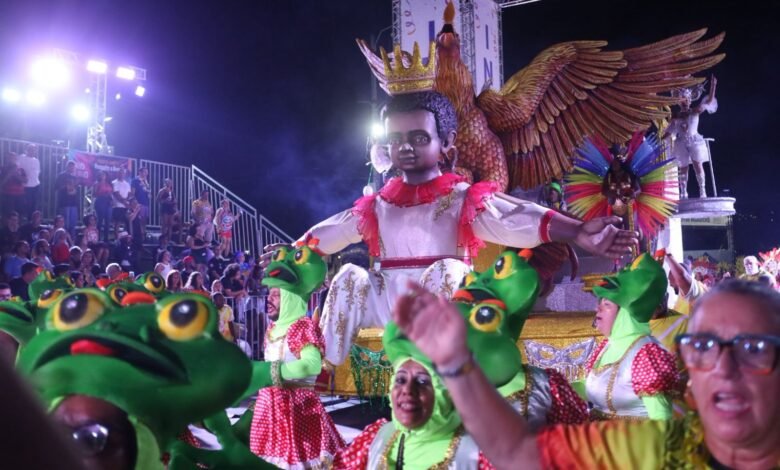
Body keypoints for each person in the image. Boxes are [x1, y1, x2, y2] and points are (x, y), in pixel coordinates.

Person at [277, 91, 636, 366]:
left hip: (440, 306)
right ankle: (322, 369)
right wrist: (291, 253)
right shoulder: (379, 205)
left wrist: (577, 231)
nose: (405, 147)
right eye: (396, 139)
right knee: (349, 276)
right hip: (387, 304)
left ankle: (439, 371)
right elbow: (333, 230)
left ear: (446, 142)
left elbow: (515, 216)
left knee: (450, 271)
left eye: (419, 138)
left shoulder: (461, 198)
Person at [392, 279, 780, 469]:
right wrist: (454, 362)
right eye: (704, 347)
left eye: (753, 349)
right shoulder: (660, 447)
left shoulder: (645, 355)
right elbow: (517, 452)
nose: (724, 369)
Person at [333, 321, 488, 469]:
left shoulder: (482, 451)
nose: (407, 390)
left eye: (422, 381)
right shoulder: (375, 438)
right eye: (400, 380)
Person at [585, 254, 680, 420]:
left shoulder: (646, 354)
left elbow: (661, 417)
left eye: (607, 304)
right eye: (599, 303)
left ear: (625, 313)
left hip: (635, 436)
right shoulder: (606, 345)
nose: (598, 310)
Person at [664, 76, 718, 198]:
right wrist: (661, 139)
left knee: (697, 164)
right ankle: (683, 192)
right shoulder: (676, 116)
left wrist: (713, 87)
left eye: (687, 100)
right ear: (679, 102)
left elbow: (709, 102)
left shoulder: (695, 111)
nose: (685, 102)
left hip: (694, 140)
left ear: (689, 101)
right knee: (683, 167)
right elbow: (670, 130)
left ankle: (702, 190)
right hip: (681, 142)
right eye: (683, 100)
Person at [17, 144, 41, 219]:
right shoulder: (21, 157)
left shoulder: (36, 160)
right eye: (31, 149)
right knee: (25, 204)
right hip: (26, 186)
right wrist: (22, 177)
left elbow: (38, 172)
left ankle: (32, 220)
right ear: (27, 150)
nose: (33, 151)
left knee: (34, 205)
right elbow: (17, 169)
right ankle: (24, 220)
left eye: (34, 150)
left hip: (36, 185)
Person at [55, 161, 79, 235]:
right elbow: (57, 187)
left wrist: (74, 185)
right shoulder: (61, 176)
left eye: (73, 167)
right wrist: (67, 186)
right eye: (71, 166)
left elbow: (76, 189)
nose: (72, 168)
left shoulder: (75, 177)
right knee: (65, 224)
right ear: (67, 167)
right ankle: (64, 238)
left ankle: (72, 239)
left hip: (73, 203)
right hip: (64, 203)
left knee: (73, 224)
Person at [0, 152, 26, 218]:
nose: (12, 160)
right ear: (7, 159)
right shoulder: (3, 169)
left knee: (19, 214)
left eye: (14, 158)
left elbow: (25, 181)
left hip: (20, 195)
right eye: (10, 158)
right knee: (7, 215)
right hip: (8, 195)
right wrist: (10, 173)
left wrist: (17, 175)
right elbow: (2, 182)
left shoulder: (20, 169)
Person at [130, 167, 150, 241]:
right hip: (139, 203)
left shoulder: (146, 181)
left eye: (147, 172)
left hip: (145, 203)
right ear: (140, 172)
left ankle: (143, 236)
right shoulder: (135, 180)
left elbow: (147, 191)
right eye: (144, 172)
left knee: (144, 221)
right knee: (139, 221)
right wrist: (135, 203)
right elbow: (132, 192)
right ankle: (139, 237)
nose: (146, 174)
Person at [93, 171, 114, 241]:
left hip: (108, 202)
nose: (102, 176)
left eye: (104, 174)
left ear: (106, 176)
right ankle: (98, 238)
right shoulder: (97, 183)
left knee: (108, 221)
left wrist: (111, 199)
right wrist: (102, 193)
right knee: (100, 220)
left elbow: (112, 193)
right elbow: (94, 194)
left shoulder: (109, 184)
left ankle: (106, 239)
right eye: (101, 175)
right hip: (100, 202)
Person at [111, 168, 131, 239]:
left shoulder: (127, 184)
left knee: (127, 222)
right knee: (117, 222)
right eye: (120, 173)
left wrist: (127, 201)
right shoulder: (114, 182)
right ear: (118, 173)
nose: (121, 174)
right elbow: (116, 194)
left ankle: (127, 238)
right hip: (117, 205)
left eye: (123, 173)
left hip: (125, 206)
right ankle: (116, 238)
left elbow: (129, 194)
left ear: (125, 174)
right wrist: (124, 202)